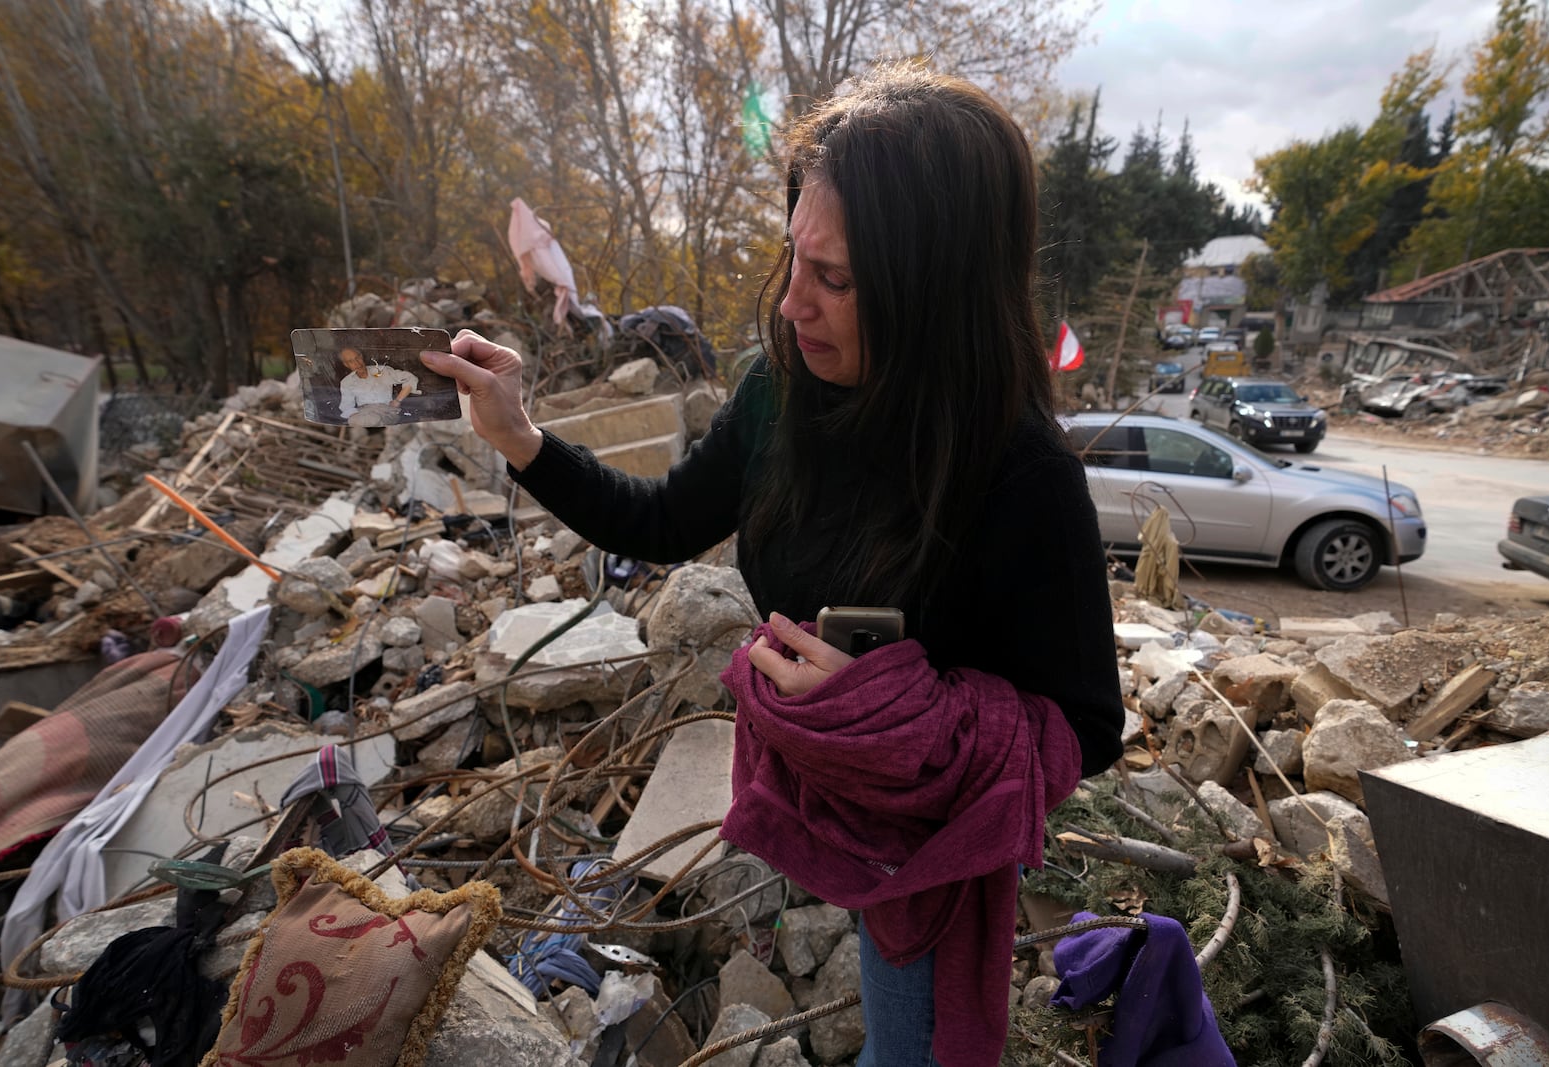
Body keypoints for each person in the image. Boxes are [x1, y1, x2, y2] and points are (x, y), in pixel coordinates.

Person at [425, 63, 1123, 1067]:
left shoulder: (1019, 475)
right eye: (793, 256)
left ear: (934, 287)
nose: (792, 303)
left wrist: (895, 713)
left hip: (919, 856)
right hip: (797, 803)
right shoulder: (778, 391)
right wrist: (523, 438)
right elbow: (663, 519)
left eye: (835, 279)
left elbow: (1085, 727)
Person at [336, 347, 418, 426]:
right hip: (363, 414)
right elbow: (346, 406)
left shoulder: (382, 371)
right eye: (351, 361)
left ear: (361, 356)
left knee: (372, 420)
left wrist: (398, 400)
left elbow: (410, 377)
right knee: (356, 422)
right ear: (346, 364)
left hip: (386, 412)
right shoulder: (346, 382)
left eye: (357, 358)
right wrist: (355, 416)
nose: (357, 363)